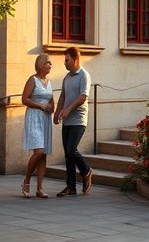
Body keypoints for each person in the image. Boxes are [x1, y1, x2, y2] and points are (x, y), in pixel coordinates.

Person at [53, 47, 93, 196]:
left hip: (79, 120)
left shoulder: (84, 76)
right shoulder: (67, 77)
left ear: (75, 60)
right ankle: (71, 187)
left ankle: (86, 171)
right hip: (67, 121)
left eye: (67, 60)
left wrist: (68, 110)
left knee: (71, 149)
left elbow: (83, 97)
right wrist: (57, 112)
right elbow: (63, 96)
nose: (64, 63)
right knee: (67, 154)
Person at [21, 53, 54, 198]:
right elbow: (24, 99)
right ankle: (26, 180)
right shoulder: (32, 79)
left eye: (50, 63)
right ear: (40, 64)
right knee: (38, 151)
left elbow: (52, 99)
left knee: (44, 154)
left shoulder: (49, 82)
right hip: (34, 118)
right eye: (48, 62)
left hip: (46, 119)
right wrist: (40, 105)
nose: (50, 65)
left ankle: (40, 188)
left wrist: (53, 107)